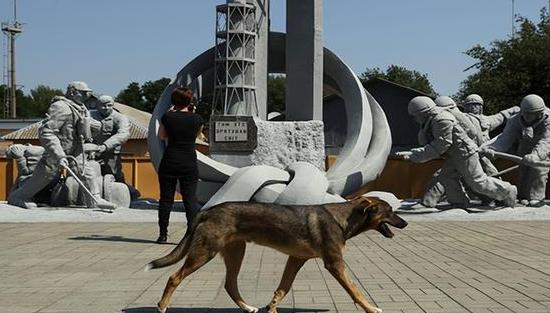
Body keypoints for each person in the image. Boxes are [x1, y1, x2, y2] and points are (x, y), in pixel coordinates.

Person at [7, 81, 114, 209]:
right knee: (43, 177)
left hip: (76, 150)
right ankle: (18, 197)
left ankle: (95, 199)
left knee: (87, 172)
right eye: (83, 93)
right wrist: (59, 155)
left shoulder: (81, 107)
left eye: (88, 93)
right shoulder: (61, 107)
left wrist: (94, 126)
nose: (87, 95)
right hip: (58, 151)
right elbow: (47, 132)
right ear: (73, 92)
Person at [396, 96, 517, 208]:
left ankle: (507, 191)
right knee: (446, 177)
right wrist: (413, 153)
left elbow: (441, 145)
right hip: (454, 154)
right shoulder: (433, 118)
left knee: (477, 182)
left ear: (423, 112)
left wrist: (415, 155)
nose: (415, 119)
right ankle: (459, 202)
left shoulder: (441, 119)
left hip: (465, 153)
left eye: (415, 115)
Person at [482, 94, 550, 207]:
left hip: (544, 150)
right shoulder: (515, 120)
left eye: (531, 113)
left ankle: (537, 198)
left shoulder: (548, 120)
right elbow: (505, 139)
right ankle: (523, 196)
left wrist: (536, 155)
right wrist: (491, 149)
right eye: (525, 112)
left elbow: (546, 141)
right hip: (525, 147)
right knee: (523, 170)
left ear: (539, 113)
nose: (527, 116)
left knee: (539, 171)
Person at [156, 86, 204, 244]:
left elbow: (161, 136)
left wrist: (171, 114)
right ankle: (192, 234)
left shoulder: (167, 117)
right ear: (190, 101)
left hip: (169, 161)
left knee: (165, 199)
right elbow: (199, 136)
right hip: (189, 162)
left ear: (173, 101)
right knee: (190, 199)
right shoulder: (197, 118)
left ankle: (163, 234)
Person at [90, 95, 130, 182]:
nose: (106, 108)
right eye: (103, 105)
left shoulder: (120, 118)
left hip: (111, 154)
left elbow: (123, 134)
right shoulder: (90, 115)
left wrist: (105, 146)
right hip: (92, 153)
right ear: (97, 106)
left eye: (109, 105)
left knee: (115, 177)